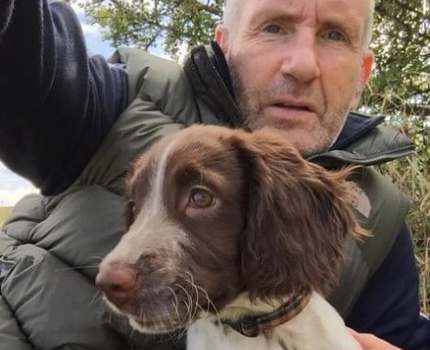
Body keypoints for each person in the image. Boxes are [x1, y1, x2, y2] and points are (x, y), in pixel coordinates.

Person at [0, 0, 429, 349]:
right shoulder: (120, 101)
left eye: (334, 35)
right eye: (274, 27)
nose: (301, 64)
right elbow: (23, 51)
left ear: (363, 73)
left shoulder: (381, 218)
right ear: (224, 43)